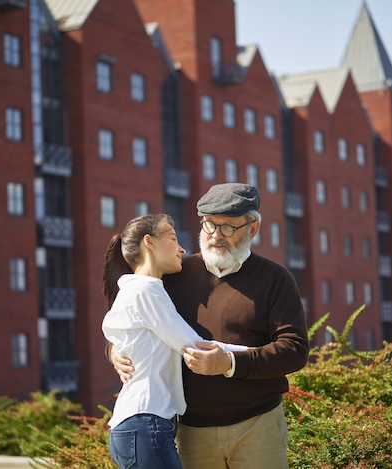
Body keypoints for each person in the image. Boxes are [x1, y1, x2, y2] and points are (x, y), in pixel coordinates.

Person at [111, 183, 310, 469]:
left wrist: (229, 363)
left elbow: (294, 350)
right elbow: (132, 321)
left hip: (257, 426)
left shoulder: (276, 279)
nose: (215, 236)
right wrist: (114, 352)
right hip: (192, 433)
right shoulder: (175, 276)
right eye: (209, 225)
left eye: (227, 227)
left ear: (252, 229)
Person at [100, 213, 247, 469]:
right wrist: (252, 353)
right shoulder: (146, 289)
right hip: (145, 423)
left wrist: (112, 351)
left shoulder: (138, 290)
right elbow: (194, 347)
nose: (181, 248)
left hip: (139, 425)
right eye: (172, 238)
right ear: (150, 242)